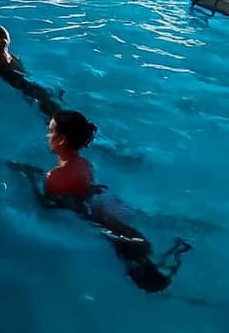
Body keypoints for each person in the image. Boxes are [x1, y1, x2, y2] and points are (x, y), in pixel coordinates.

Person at [10, 110, 192, 293]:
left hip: (90, 214)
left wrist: (29, 179)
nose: (47, 135)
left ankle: (152, 279)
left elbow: (47, 205)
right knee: (129, 245)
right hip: (99, 205)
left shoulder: (55, 176)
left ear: (61, 140)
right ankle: (158, 266)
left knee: (124, 248)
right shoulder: (83, 164)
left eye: (50, 131)